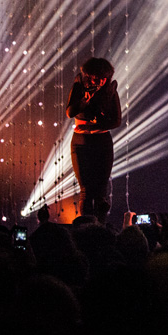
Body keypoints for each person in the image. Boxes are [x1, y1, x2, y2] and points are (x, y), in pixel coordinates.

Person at [66, 57, 122, 223]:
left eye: (105, 78)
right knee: (86, 191)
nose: (102, 81)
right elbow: (70, 112)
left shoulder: (110, 91)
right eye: (98, 77)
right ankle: (85, 228)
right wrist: (85, 101)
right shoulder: (79, 87)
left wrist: (98, 120)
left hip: (102, 142)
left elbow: (116, 120)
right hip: (81, 142)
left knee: (100, 191)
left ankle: (100, 228)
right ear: (90, 76)